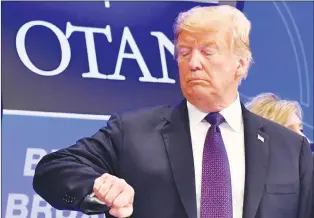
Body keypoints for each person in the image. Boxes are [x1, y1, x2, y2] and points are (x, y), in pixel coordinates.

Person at [33, 5, 313, 218]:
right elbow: (52, 169)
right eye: (184, 52)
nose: (193, 63)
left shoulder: (291, 148)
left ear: (240, 64)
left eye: (208, 51)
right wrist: (97, 184)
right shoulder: (131, 132)